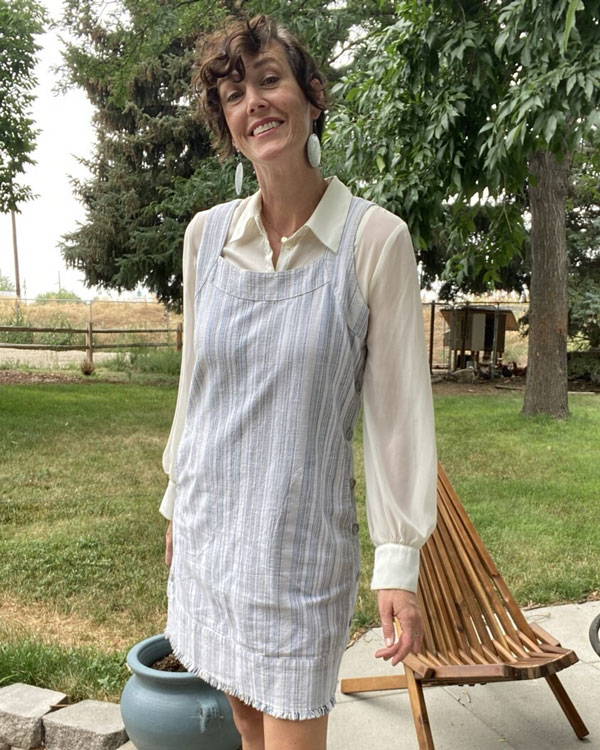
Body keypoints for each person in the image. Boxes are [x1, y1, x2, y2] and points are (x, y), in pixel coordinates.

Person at [160, 14, 437, 750]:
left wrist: (399, 566)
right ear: (227, 123)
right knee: (245, 720)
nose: (253, 102)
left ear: (312, 94)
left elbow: (399, 417)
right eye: (232, 94)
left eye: (269, 79)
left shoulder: (375, 240)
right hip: (209, 532)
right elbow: (197, 392)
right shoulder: (205, 237)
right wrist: (173, 508)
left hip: (298, 553)